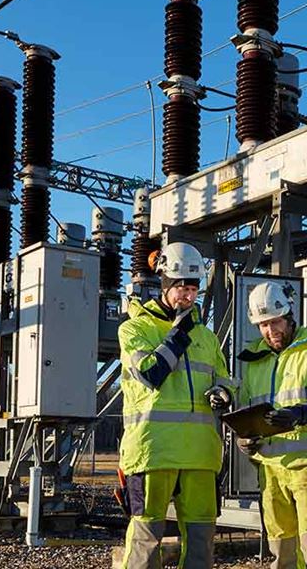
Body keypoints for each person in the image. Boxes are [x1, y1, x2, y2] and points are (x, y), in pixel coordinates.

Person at [115, 242, 234, 569]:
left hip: (200, 455)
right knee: (145, 540)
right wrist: (181, 331)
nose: (187, 295)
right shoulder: (134, 329)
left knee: (200, 542)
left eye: (193, 288)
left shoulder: (207, 338)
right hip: (153, 453)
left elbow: (225, 379)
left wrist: (224, 392)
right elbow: (152, 373)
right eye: (181, 287)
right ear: (165, 284)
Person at [235, 282, 307, 569]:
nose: (270, 331)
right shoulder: (255, 363)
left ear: (289, 316)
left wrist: (301, 413)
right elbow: (250, 415)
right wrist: (245, 438)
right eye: (263, 325)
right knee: (281, 552)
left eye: (275, 322)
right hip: (272, 471)